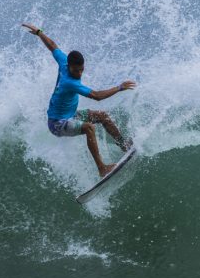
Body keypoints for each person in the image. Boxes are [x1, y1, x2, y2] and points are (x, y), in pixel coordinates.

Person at [22, 23, 136, 177]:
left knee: (103, 116)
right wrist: (119, 87)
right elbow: (96, 96)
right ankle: (102, 168)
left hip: (70, 115)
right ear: (69, 66)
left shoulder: (63, 61)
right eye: (76, 70)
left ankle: (124, 145)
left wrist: (39, 32)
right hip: (57, 123)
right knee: (89, 127)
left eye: (82, 69)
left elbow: (52, 46)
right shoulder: (70, 82)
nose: (79, 73)